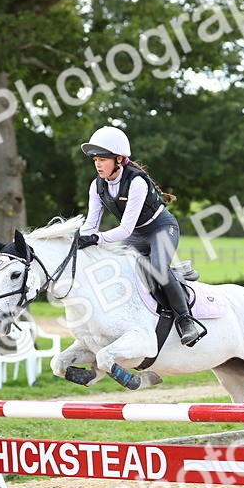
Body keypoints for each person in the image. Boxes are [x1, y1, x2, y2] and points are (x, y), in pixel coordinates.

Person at [75, 125, 204, 346]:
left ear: (118, 159)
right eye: (95, 159)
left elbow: (124, 229)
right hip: (137, 234)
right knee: (118, 270)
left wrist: (97, 239)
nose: (97, 164)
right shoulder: (97, 186)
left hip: (161, 228)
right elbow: (91, 223)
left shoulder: (136, 182)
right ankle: (173, 278)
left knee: (158, 270)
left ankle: (186, 321)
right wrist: (79, 241)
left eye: (102, 159)